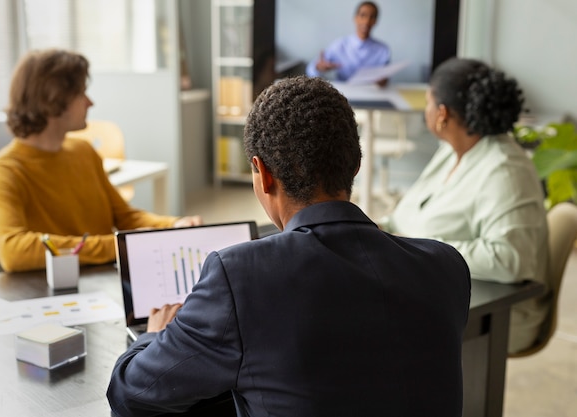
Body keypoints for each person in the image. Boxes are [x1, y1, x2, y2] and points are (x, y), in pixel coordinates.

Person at [107, 76, 471, 417]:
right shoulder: (446, 266)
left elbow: (129, 394)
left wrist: (154, 336)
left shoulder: (239, 276)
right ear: (355, 165)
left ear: (262, 173)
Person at [379, 57, 549, 354]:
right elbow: (408, 214)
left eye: (429, 101)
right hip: (434, 288)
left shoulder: (504, 169)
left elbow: (510, 259)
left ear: (442, 113)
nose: (426, 110)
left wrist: (417, 250)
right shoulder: (452, 151)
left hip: (497, 312)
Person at [0, 49, 201, 273]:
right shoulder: (4, 172)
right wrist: (117, 246)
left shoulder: (83, 151)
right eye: (81, 94)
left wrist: (173, 226)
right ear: (54, 99)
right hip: (52, 290)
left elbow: (125, 217)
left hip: (103, 278)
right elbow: (13, 251)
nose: (90, 103)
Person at [305, 1, 390, 83]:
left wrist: (382, 81)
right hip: (343, 93)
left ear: (376, 21)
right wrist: (318, 68)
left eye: (372, 17)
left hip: (371, 94)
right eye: (363, 15)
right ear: (355, 18)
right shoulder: (340, 45)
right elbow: (310, 70)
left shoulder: (382, 50)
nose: (367, 21)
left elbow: (385, 81)